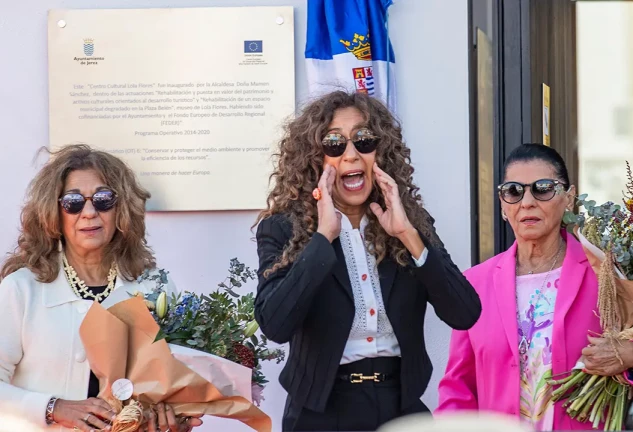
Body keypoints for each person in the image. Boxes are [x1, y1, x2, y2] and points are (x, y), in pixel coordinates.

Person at [253, 91, 482, 431]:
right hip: (320, 412)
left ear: (380, 150)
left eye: (363, 140)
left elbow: (465, 313)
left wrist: (407, 234)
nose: (351, 155)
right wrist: (322, 239)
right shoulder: (283, 228)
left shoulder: (409, 223)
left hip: (399, 405)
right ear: (314, 158)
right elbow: (275, 325)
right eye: (334, 143)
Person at [0, 145, 202, 432]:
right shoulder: (22, 289)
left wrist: (174, 422)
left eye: (103, 199)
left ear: (122, 208)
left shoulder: (155, 286)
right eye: (73, 202)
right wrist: (53, 407)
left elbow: (172, 388)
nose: (90, 212)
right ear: (53, 211)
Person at [436, 143, 633, 430]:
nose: (527, 202)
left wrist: (627, 355)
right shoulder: (475, 284)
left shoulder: (603, 276)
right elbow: (458, 389)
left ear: (569, 198)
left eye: (543, 188)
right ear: (503, 205)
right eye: (514, 191)